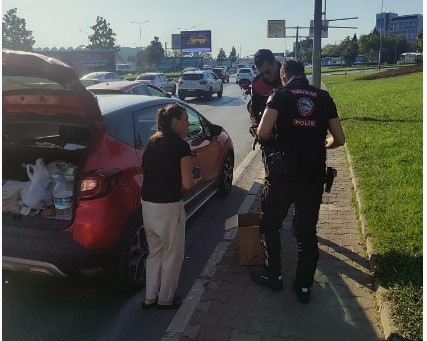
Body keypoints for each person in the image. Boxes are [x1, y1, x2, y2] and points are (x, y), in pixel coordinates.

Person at [251, 60, 345, 304]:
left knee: (270, 225)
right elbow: (339, 139)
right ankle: (304, 287)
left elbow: (262, 132)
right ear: (303, 75)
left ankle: (274, 275)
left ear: (284, 76)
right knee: (306, 232)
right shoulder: (323, 97)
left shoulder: (280, 95)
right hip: (312, 175)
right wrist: (322, 144)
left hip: (282, 175)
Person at [140, 103, 196, 310]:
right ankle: (165, 298)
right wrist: (194, 179)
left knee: (154, 252)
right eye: (186, 120)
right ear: (175, 123)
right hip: (169, 206)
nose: (188, 125)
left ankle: (149, 297)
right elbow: (188, 184)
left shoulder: (152, 142)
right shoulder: (181, 146)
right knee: (172, 253)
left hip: (148, 205)